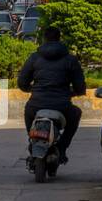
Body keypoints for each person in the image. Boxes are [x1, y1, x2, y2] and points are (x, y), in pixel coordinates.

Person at [17, 26, 86, 164]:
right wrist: (74, 92)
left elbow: (22, 82)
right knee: (76, 114)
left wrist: (32, 89)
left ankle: (32, 142)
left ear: (44, 39)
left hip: (36, 104)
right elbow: (79, 86)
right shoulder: (70, 59)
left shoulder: (34, 58)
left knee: (28, 111)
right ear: (59, 39)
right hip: (62, 106)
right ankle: (62, 147)